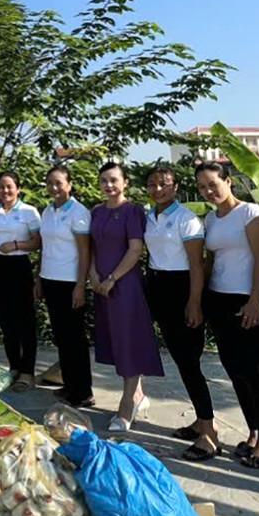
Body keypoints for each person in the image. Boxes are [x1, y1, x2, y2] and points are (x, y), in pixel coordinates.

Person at [196, 162, 259, 468]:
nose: (208, 192)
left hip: (250, 298)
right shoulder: (212, 219)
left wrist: (255, 300)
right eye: (202, 187)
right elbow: (210, 260)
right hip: (220, 299)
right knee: (237, 371)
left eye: (213, 185)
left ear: (228, 181)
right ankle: (255, 432)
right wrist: (200, 298)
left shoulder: (250, 214)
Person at [143, 166, 213, 460]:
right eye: (152, 184)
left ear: (175, 187)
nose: (158, 189)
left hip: (182, 288)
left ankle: (210, 435)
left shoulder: (187, 219)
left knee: (189, 361)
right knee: (181, 360)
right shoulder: (148, 217)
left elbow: (197, 265)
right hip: (157, 286)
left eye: (164, 184)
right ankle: (200, 420)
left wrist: (194, 302)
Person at [90, 161, 163, 431]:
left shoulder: (133, 211)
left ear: (125, 183)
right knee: (116, 341)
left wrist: (112, 279)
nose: (109, 185)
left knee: (128, 342)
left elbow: (135, 250)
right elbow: (93, 247)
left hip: (125, 286)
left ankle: (126, 406)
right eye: (104, 181)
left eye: (114, 180)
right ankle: (139, 394)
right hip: (102, 285)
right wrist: (93, 275)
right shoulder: (96, 212)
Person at [34, 165, 93, 406]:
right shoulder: (47, 211)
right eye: (50, 183)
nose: (54, 188)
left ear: (69, 185)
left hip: (70, 282)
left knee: (75, 338)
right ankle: (69, 385)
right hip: (50, 279)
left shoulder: (79, 212)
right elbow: (44, 248)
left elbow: (85, 251)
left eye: (59, 183)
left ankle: (83, 392)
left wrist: (80, 285)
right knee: (62, 336)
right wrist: (38, 279)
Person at [0, 172, 42, 391]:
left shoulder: (29, 212)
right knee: (6, 322)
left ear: (18, 188)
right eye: (1, 187)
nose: (5, 191)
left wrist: (16, 245)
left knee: (25, 321)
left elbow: (37, 242)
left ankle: (28, 372)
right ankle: (14, 366)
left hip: (19, 266)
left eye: (9, 187)